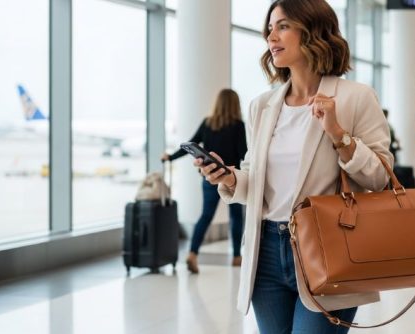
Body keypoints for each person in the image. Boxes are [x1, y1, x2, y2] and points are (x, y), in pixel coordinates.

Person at [195, 1, 393, 332]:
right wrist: (229, 178)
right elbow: (254, 179)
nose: (271, 36)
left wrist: (338, 134)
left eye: (283, 26)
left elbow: (380, 177)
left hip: (329, 247)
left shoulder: (355, 98)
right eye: (269, 28)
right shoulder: (262, 106)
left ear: (314, 31)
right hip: (266, 251)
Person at [161, 88, 247, 272]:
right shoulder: (238, 125)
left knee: (205, 216)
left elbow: (188, 146)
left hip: (209, 177)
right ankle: (237, 257)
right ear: (235, 104)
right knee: (236, 217)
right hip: (231, 178)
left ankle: (192, 253)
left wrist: (170, 157)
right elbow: (243, 154)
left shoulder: (208, 123)